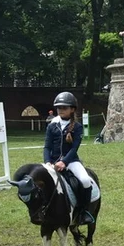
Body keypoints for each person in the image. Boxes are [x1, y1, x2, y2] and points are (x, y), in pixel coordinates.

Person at [43, 92, 96, 225]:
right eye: (59, 107)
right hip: (52, 162)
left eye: (64, 108)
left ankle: (83, 212)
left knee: (85, 181)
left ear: (72, 109)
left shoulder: (77, 127)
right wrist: (47, 161)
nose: (61, 110)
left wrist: (64, 162)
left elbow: (74, 148)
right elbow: (47, 147)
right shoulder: (51, 126)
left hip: (71, 161)